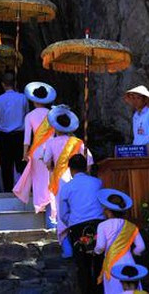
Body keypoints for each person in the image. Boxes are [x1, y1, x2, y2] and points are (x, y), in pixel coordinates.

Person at [43, 105, 93, 253]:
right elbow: (89, 161)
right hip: (77, 179)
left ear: (55, 126)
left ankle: (67, 248)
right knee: (77, 209)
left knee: (62, 212)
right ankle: (82, 244)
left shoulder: (51, 142)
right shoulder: (78, 142)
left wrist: (53, 167)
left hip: (60, 180)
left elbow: (47, 162)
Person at [59, 154, 105, 294]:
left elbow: (63, 214)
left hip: (78, 227)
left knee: (82, 264)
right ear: (86, 168)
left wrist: (72, 221)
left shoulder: (67, 187)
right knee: (99, 261)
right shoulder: (97, 182)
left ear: (70, 169)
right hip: (98, 225)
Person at [13, 82, 56, 218]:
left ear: (33, 100)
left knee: (39, 180)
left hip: (37, 151)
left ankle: (41, 205)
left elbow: (27, 139)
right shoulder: (52, 114)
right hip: (53, 149)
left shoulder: (30, 116)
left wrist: (24, 154)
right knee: (51, 179)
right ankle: (52, 209)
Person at [94, 189, 146, 294]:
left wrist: (96, 251)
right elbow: (141, 246)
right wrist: (134, 253)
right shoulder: (131, 226)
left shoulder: (102, 225)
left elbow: (100, 246)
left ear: (108, 211)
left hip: (112, 264)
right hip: (129, 263)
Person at [0, 72, 28, 191]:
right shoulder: (23, 98)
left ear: (3, 84)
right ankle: (24, 190)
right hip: (19, 136)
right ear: (14, 83)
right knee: (22, 164)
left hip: (4, 136)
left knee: (6, 166)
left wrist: (3, 126)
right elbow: (26, 115)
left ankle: (8, 191)